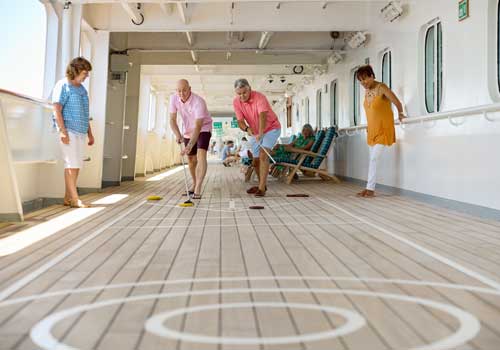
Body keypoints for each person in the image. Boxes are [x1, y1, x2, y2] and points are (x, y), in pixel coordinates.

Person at [355, 65, 406, 198]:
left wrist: (400, 113)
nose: (363, 83)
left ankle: (370, 189)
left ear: (372, 76)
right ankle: (368, 189)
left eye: (365, 79)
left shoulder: (381, 87)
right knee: (372, 160)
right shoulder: (367, 91)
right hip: (372, 131)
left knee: (373, 159)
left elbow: (397, 102)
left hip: (384, 129)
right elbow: (371, 112)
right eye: (360, 80)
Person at [52, 57, 94, 208]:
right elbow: (57, 109)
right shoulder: (62, 85)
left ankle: (68, 197)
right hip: (69, 130)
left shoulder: (82, 89)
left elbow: (85, 112)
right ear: (75, 70)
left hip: (81, 131)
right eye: (84, 72)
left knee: (76, 165)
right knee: (71, 164)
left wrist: (90, 133)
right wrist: (63, 132)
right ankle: (75, 199)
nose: (86, 76)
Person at [233, 78, 281, 197]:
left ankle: (261, 189)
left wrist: (260, 133)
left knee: (263, 154)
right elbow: (240, 121)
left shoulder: (259, 97)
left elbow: (262, 116)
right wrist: (247, 129)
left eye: (244, 92)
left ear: (250, 89)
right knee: (255, 161)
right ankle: (262, 185)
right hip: (254, 131)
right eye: (239, 94)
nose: (242, 96)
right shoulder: (236, 102)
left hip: (271, 128)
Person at [169, 79, 213, 199]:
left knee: (201, 155)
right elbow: (172, 120)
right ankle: (194, 183)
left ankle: (198, 187)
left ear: (190, 89)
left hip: (203, 128)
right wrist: (178, 135)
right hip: (188, 131)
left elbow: (198, 126)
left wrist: (189, 146)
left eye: (184, 90)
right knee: (191, 159)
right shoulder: (173, 98)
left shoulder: (199, 102)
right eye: (179, 91)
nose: (182, 93)